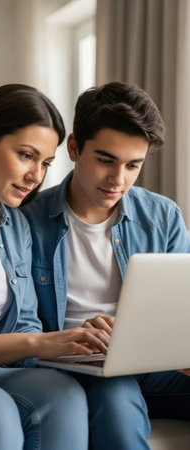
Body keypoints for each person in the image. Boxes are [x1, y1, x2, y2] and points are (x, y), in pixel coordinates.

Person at [22, 81, 190, 450]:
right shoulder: (26, 221)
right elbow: (20, 325)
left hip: (154, 364)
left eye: (133, 165)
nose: (119, 180)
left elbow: (182, 311)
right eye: (105, 160)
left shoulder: (162, 216)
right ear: (74, 148)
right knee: (116, 401)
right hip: (78, 365)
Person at [0, 83, 109, 450]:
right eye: (26, 155)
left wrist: (76, 342)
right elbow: (29, 337)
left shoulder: (17, 226)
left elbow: (24, 325)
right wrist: (38, 341)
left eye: (46, 163)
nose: (37, 174)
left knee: (62, 393)